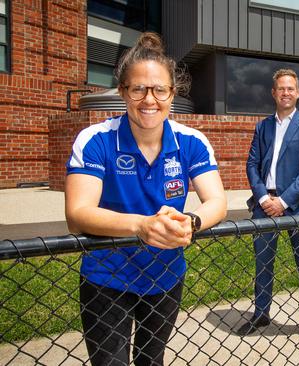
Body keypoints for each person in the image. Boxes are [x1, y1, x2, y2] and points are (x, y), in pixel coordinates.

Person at [65, 32, 227, 365]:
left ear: (173, 93)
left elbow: (218, 203)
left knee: (151, 360)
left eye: (159, 89)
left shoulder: (192, 141)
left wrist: (192, 223)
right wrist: (141, 225)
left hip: (166, 277)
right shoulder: (94, 139)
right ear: (122, 91)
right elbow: (78, 213)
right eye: (138, 89)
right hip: (107, 277)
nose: (149, 99)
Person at [238, 68, 299, 349]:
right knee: (263, 265)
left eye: (291, 88)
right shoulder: (262, 127)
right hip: (264, 206)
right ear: (273, 93)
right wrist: (264, 199)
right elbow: (251, 164)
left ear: (298, 93)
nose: (286, 92)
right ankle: (261, 315)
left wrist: (283, 202)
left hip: (298, 207)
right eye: (281, 88)